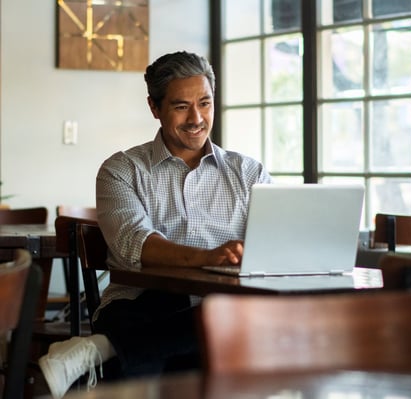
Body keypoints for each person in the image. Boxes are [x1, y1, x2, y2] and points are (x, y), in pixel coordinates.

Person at [38, 51, 272, 399]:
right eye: (181, 106)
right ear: (155, 108)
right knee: (191, 318)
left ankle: (100, 349)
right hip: (141, 302)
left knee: (233, 317)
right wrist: (209, 256)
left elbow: (274, 245)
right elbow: (137, 244)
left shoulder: (250, 173)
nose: (197, 118)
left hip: (229, 305)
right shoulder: (121, 171)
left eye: (205, 103)